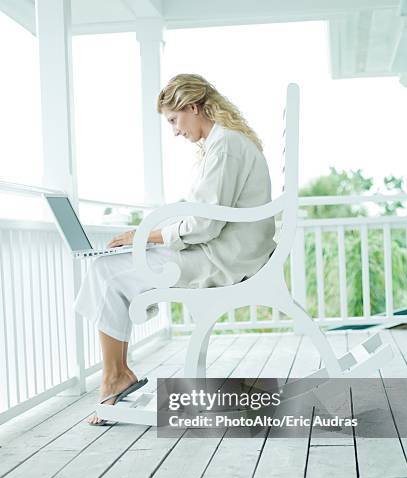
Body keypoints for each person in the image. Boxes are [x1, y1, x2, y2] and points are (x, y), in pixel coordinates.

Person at [74, 73, 276, 425]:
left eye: (174, 120)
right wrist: (149, 234)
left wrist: (144, 235)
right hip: (231, 250)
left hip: (223, 257)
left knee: (104, 270)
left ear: (193, 107)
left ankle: (115, 377)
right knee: (109, 269)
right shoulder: (226, 143)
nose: (175, 131)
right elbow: (205, 218)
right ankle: (117, 373)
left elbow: (204, 226)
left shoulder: (225, 145)